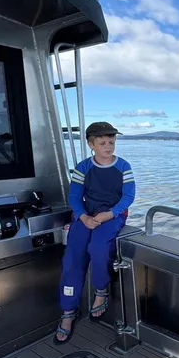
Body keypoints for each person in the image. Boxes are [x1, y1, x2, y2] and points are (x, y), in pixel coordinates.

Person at [54, 121, 135, 344]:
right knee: (72, 258)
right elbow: (74, 197)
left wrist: (111, 214)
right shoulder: (83, 167)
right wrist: (82, 216)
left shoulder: (123, 166)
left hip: (112, 216)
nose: (109, 146)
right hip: (86, 216)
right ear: (91, 144)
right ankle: (68, 312)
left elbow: (128, 197)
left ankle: (101, 290)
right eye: (103, 142)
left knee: (98, 248)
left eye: (112, 141)